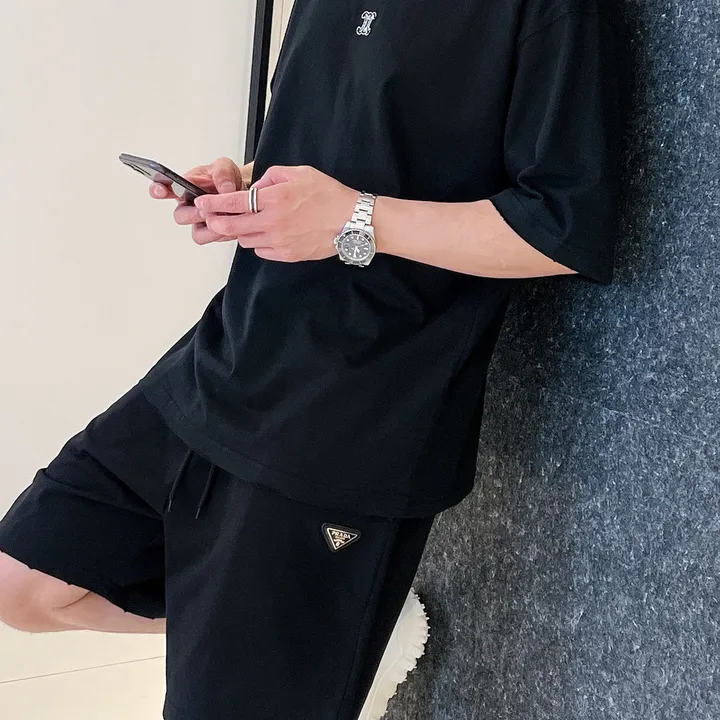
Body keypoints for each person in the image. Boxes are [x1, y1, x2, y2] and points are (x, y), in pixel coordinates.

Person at [0, 0, 622, 718]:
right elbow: (349, 142)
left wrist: (355, 219)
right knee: (21, 585)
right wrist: (247, 185)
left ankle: (317, 638)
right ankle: (318, 635)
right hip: (224, 356)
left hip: (354, 412)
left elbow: (562, 229)